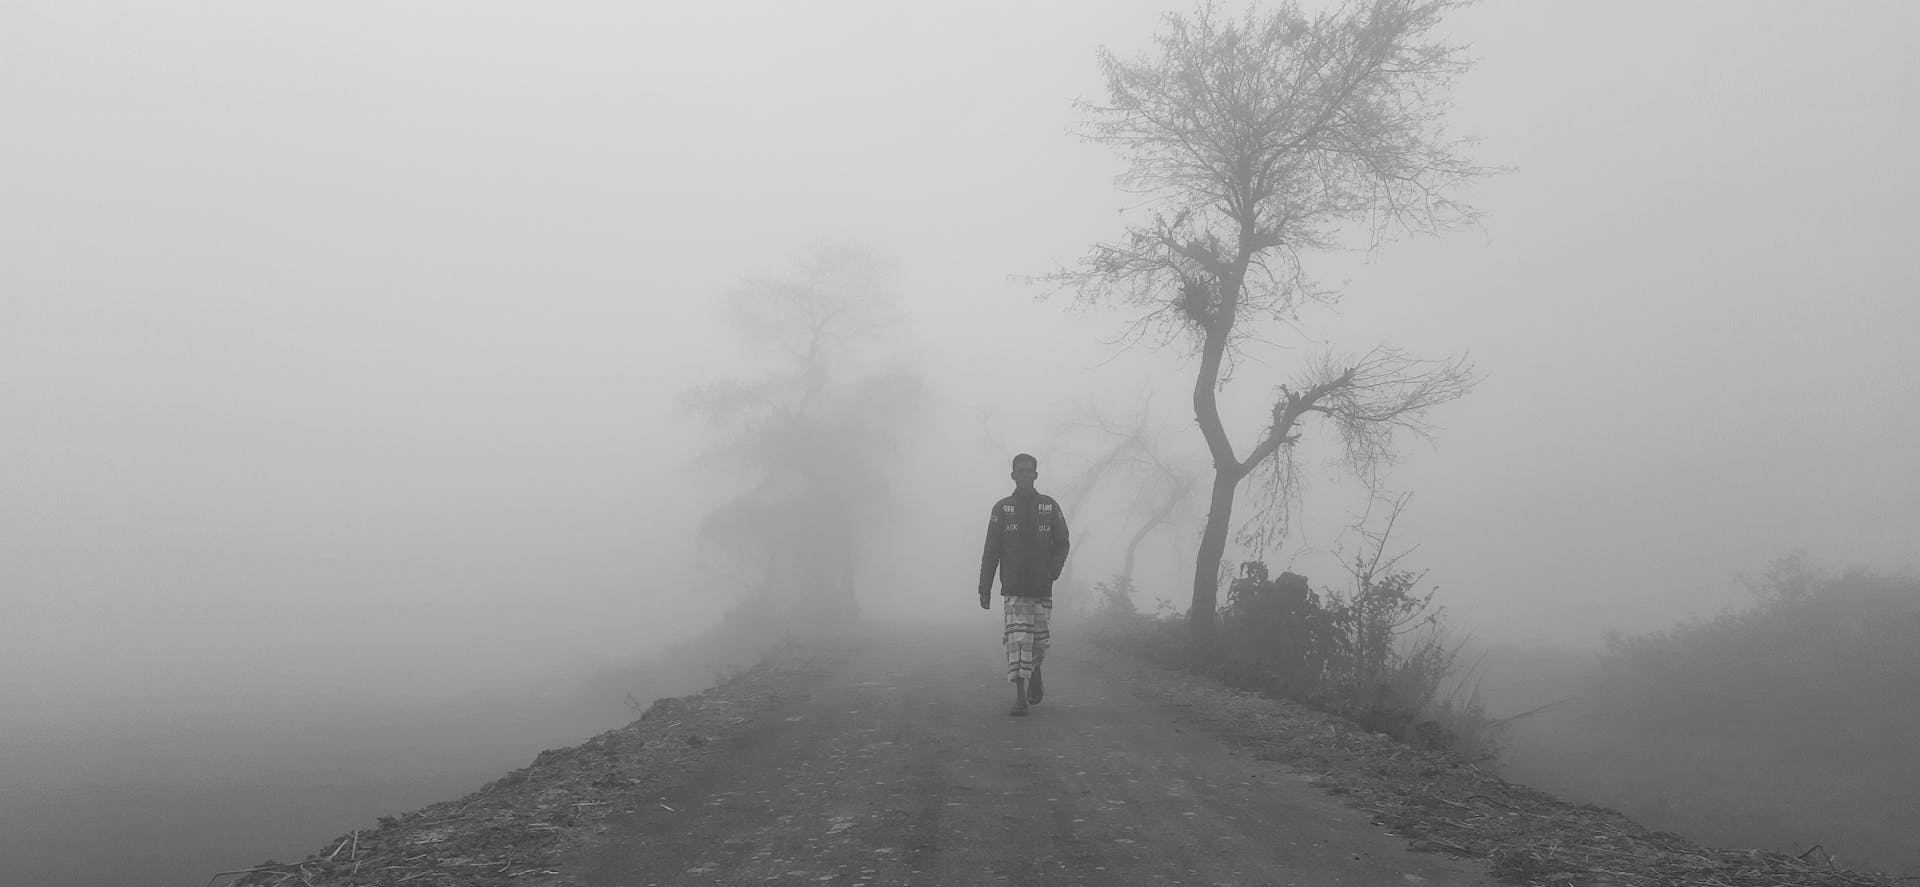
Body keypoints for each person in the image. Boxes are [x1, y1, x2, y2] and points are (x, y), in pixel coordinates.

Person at [978, 453, 1070, 716]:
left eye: (1030, 471)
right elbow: (991, 550)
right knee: (1018, 642)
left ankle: (1036, 670)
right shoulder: (1002, 509)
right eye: (1020, 471)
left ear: (1036, 475)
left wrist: (1054, 569)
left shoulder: (1049, 506)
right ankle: (1019, 698)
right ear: (1013, 475)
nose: (1025, 475)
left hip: (1042, 587)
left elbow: (1062, 542)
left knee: (1039, 643)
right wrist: (984, 588)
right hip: (1014, 588)